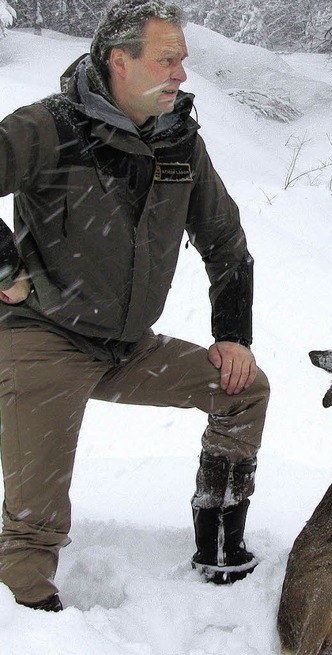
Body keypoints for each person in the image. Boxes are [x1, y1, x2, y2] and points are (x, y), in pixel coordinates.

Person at [0, 0, 270, 612]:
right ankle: (29, 617)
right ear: (119, 61)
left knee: (242, 390)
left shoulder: (178, 142)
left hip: (126, 344)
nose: (181, 73)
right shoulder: (48, 127)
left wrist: (233, 334)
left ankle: (220, 545)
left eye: (183, 60)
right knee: (35, 517)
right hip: (44, 336)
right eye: (167, 59)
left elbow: (226, 241)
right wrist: (5, 268)